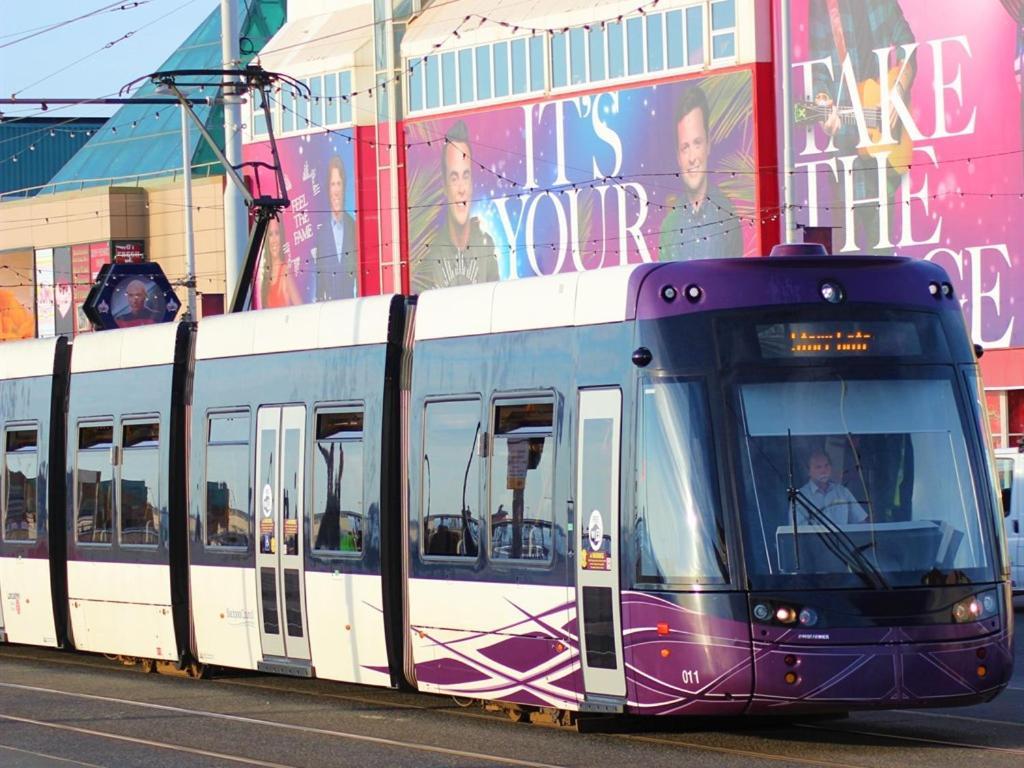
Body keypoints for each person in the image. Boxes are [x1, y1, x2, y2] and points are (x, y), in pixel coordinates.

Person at [808, 0, 916, 254]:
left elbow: (907, 43)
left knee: (883, 253)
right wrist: (822, 103)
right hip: (846, 149)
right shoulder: (819, 7)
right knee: (848, 257)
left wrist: (897, 90)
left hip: (885, 150)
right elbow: (818, 71)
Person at [658, 85, 744, 262]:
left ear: (708, 145)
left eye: (697, 143)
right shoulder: (670, 225)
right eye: (685, 147)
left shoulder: (727, 213)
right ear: (678, 156)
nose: (692, 158)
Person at [412, 120, 499, 292]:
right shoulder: (429, 253)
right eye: (454, 177)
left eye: (465, 176)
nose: (461, 189)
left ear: (472, 182)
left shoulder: (485, 245)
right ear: (444, 185)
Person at [314, 154, 358, 301]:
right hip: (329, 311)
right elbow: (319, 283)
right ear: (328, 188)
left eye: (339, 183)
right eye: (333, 184)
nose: (336, 190)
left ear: (344, 186)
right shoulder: (321, 234)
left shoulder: (354, 228)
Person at [799, 449, 868, 525]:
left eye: (826, 465)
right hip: (816, 537)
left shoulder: (843, 492)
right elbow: (799, 530)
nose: (824, 470)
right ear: (808, 471)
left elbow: (862, 523)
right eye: (818, 467)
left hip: (844, 537)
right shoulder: (801, 496)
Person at [259, 217, 303, 308]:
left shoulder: (285, 271)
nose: (274, 240)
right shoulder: (266, 273)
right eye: (270, 234)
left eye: (277, 233)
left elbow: (300, 308)